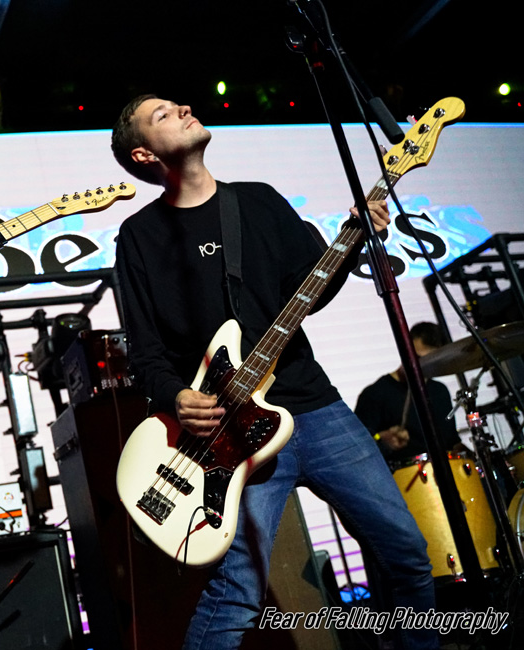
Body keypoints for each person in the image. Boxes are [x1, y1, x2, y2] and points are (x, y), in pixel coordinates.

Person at [111, 95, 437, 649]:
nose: (183, 107)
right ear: (143, 154)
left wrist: (355, 235)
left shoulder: (258, 201)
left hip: (316, 408)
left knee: (406, 553)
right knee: (237, 591)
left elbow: (312, 291)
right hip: (230, 437)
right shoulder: (140, 236)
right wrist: (176, 397)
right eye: (162, 113)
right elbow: (144, 352)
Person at [355, 321, 464, 465]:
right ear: (404, 350)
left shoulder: (440, 391)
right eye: (416, 357)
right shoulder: (375, 394)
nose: (420, 365)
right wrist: (380, 439)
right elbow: (356, 448)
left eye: (430, 360)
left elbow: (451, 442)